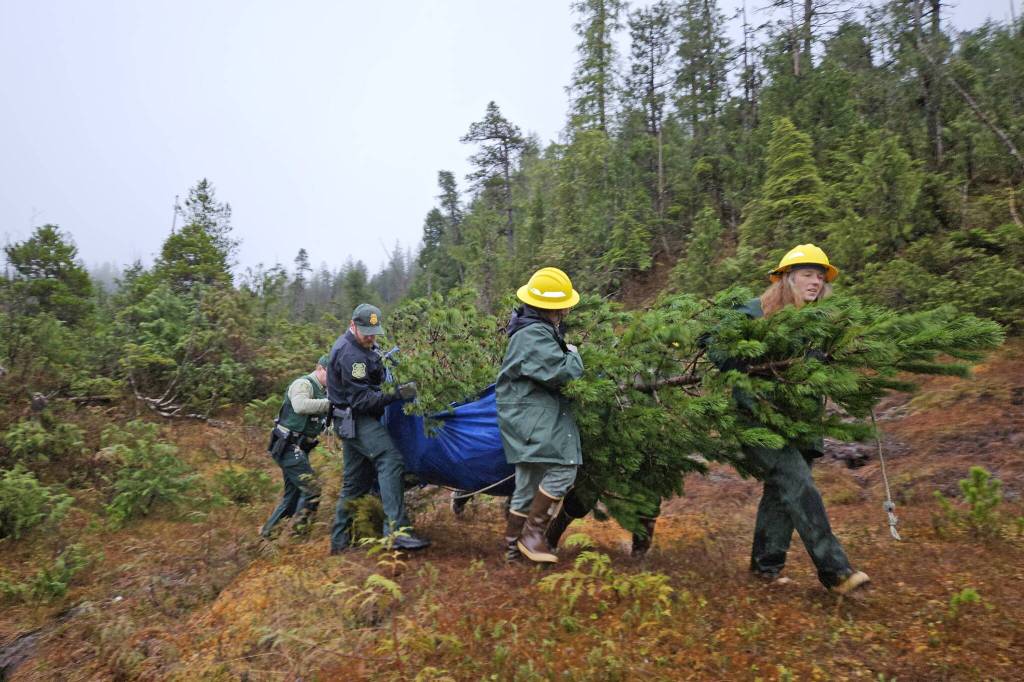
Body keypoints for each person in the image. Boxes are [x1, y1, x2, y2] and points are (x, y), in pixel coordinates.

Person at [728, 244, 869, 595]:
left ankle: (765, 569)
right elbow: (721, 344)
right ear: (785, 279)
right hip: (759, 421)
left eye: (820, 276)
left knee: (781, 493)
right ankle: (836, 572)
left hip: (801, 424)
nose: (815, 282)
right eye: (807, 274)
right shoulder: (755, 312)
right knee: (799, 485)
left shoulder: (821, 323)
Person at [497, 267, 584, 564]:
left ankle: (513, 553)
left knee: (527, 483)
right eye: (564, 306)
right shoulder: (534, 334)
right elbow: (564, 371)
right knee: (564, 467)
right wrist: (573, 352)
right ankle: (533, 535)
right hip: (533, 416)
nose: (567, 310)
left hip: (524, 416)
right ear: (554, 307)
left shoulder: (530, 329)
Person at [327, 303, 428, 554]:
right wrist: (396, 394)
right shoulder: (351, 356)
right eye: (365, 332)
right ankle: (396, 531)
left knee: (355, 483)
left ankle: (339, 544)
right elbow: (362, 400)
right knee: (390, 460)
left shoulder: (366, 347)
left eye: (374, 331)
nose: (371, 337)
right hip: (356, 419)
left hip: (352, 420)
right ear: (352, 325)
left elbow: (376, 371)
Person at [260, 355, 330, 538]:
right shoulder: (303, 384)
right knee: (312, 489)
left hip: (298, 448)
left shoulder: (323, 391)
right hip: (288, 446)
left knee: (291, 497)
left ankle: (268, 536)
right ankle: (299, 536)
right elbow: (300, 406)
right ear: (320, 368)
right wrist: (331, 405)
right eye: (331, 373)